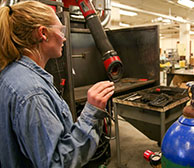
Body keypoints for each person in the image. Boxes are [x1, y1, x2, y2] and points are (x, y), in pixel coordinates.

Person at [0, 1, 114, 168]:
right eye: (61, 30)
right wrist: (91, 113)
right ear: (43, 33)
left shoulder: (11, 74)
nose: (64, 37)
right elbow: (58, 163)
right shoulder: (33, 93)